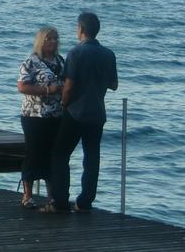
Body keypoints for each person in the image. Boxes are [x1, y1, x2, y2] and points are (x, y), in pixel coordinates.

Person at [44, 12, 118, 214]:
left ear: (81, 30)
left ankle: (60, 200)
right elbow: (114, 84)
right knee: (92, 156)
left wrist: (64, 104)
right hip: (97, 112)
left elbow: (69, 86)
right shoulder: (108, 54)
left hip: (75, 111)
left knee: (60, 154)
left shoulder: (76, 53)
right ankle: (85, 201)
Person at [16, 26, 65, 209]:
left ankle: (51, 194)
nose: (52, 42)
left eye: (55, 38)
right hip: (34, 114)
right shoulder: (31, 62)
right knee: (33, 152)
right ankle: (27, 194)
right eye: (48, 39)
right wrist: (46, 90)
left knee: (52, 154)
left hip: (56, 114)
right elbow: (22, 86)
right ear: (41, 41)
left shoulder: (61, 61)